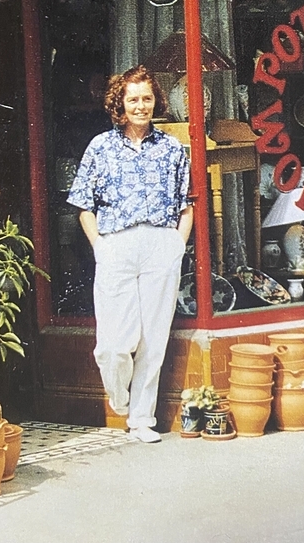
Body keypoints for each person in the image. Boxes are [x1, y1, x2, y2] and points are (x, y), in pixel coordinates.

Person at [67, 64, 194, 443]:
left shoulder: (172, 148)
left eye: (147, 99)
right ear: (119, 104)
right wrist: (100, 247)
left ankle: (141, 419)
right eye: (133, 99)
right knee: (114, 345)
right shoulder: (101, 147)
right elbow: (83, 205)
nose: (141, 106)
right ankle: (119, 396)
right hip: (116, 245)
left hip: (160, 243)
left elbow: (187, 204)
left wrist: (177, 244)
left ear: (157, 102)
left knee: (154, 338)